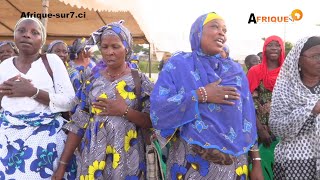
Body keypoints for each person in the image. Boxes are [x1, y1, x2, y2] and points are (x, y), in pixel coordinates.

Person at [150, 12, 263, 180]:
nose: (221, 32)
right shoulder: (179, 65)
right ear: (197, 32)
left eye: (224, 30)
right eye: (215, 26)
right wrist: (200, 95)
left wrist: (257, 162)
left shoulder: (235, 71)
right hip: (191, 162)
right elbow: (159, 109)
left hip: (233, 163)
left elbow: (247, 119)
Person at [52, 20, 154, 180]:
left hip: (128, 161)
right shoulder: (91, 81)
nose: (109, 52)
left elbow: (151, 121)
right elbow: (78, 124)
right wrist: (62, 165)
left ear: (126, 48)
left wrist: (125, 111)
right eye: (105, 47)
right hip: (93, 160)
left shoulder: (140, 81)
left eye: (115, 47)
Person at [0, 18, 76, 179]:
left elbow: (70, 101)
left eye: (35, 32)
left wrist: (33, 92)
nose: (27, 35)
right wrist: (2, 92)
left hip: (45, 138)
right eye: (21, 31)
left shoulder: (51, 61)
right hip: (7, 140)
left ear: (42, 40)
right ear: (14, 35)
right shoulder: (5, 66)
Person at [269, 36, 320, 179]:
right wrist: (311, 110)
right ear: (299, 59)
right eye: (316, 56)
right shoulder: (285, 89)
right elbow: (276, 126)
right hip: (295, 162)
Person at [246, 35, 285, 180]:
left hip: (284, 131)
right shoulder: (255, 71)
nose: (274, 48)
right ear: (264, 48)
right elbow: (247, 102)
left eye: (277, 45)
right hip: (258, 129)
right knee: (258, 168)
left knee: (281, 168)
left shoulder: (289, 72)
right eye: (270, 45)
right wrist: (260, 129)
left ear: (282, 48)